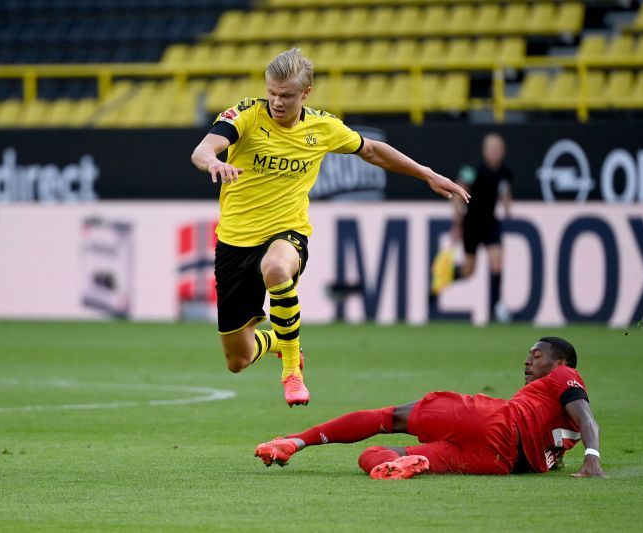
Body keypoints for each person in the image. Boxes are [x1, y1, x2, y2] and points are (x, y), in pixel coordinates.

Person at [191, 48, 470, 407]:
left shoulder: (322, 127)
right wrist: (212, 161)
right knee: (237, 360)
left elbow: (372, 151)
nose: (277, 101)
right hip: (233, 244)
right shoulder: (246, 115)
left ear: (305, 93)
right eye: (272, 92)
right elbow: (203, 149)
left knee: (276, 268)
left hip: (287, 233)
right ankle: (280, 342)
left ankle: (292, 371)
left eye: (287, 95)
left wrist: (428, 174)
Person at [255, 337, 605, 479]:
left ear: (560, 362)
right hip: (499, 462)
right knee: (373, 456)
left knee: (387, 419)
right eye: (529, 356)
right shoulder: (553, 425)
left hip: (490, 420)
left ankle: (295, 441)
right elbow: (559, 440)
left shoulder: (565, 375)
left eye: (537, 356)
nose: (528, 362)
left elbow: (586, 417)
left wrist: (592, 457)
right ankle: (406, 463)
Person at [432, 132, 513, 322]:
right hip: (472, 223)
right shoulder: (473, 169)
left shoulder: (505, 171)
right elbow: (459, 190)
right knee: (469, 270)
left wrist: (508, 203)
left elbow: (506, 191)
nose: (495, 153)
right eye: (492, 149)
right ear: (485, 151)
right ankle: (442, 276)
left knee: (497, 261)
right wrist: (457, 222)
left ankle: (496, 306)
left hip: (491, 222)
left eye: (498, 149)